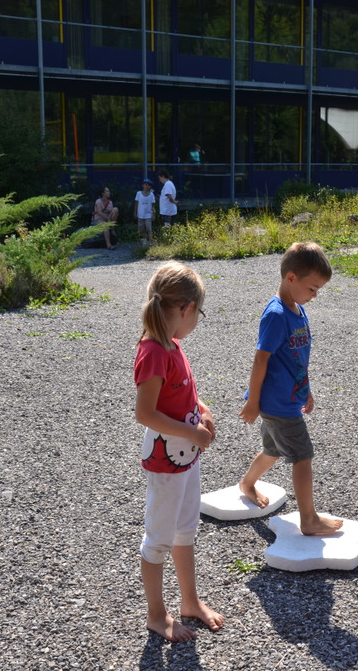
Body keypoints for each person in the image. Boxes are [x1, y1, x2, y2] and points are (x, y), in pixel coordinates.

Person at [134, 261, 223, 642]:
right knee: (159, 538)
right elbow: (145, 413)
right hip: (166, 462)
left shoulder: (173, 345)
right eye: (199, 312)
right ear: (186, 308)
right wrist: (192, 432)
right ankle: (157, 614)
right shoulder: (153, 351)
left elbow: (182, 392)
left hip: (187, 456)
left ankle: (190, 601)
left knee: (186, 529)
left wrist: (203, 409)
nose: (198, 320)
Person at [237, 242, 344, 536]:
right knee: (302, 456)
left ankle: (246, 484)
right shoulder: (276, 314)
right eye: (313, 288)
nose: (315, 295)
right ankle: (308, 519)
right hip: (277, 403)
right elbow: (261, 359)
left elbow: (297, 357)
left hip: (287, 398)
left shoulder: (298, 310)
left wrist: (306, 390)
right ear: (291, 278)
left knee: (272, 450)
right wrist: (253, 401)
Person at [134, 178, 156, 244]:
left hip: (148, 214)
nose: (147, 186)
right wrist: (135, 212)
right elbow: (136, 203)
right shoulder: (139, 193)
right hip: (140, 214)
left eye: (148, 185)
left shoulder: (151, 195)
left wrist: (154, 214)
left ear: (150, 187)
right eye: (145, 185)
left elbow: (153, 205)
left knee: (149, 228)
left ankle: (150, 241)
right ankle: (144, 241)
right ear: (143, 185)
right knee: (141, 228)